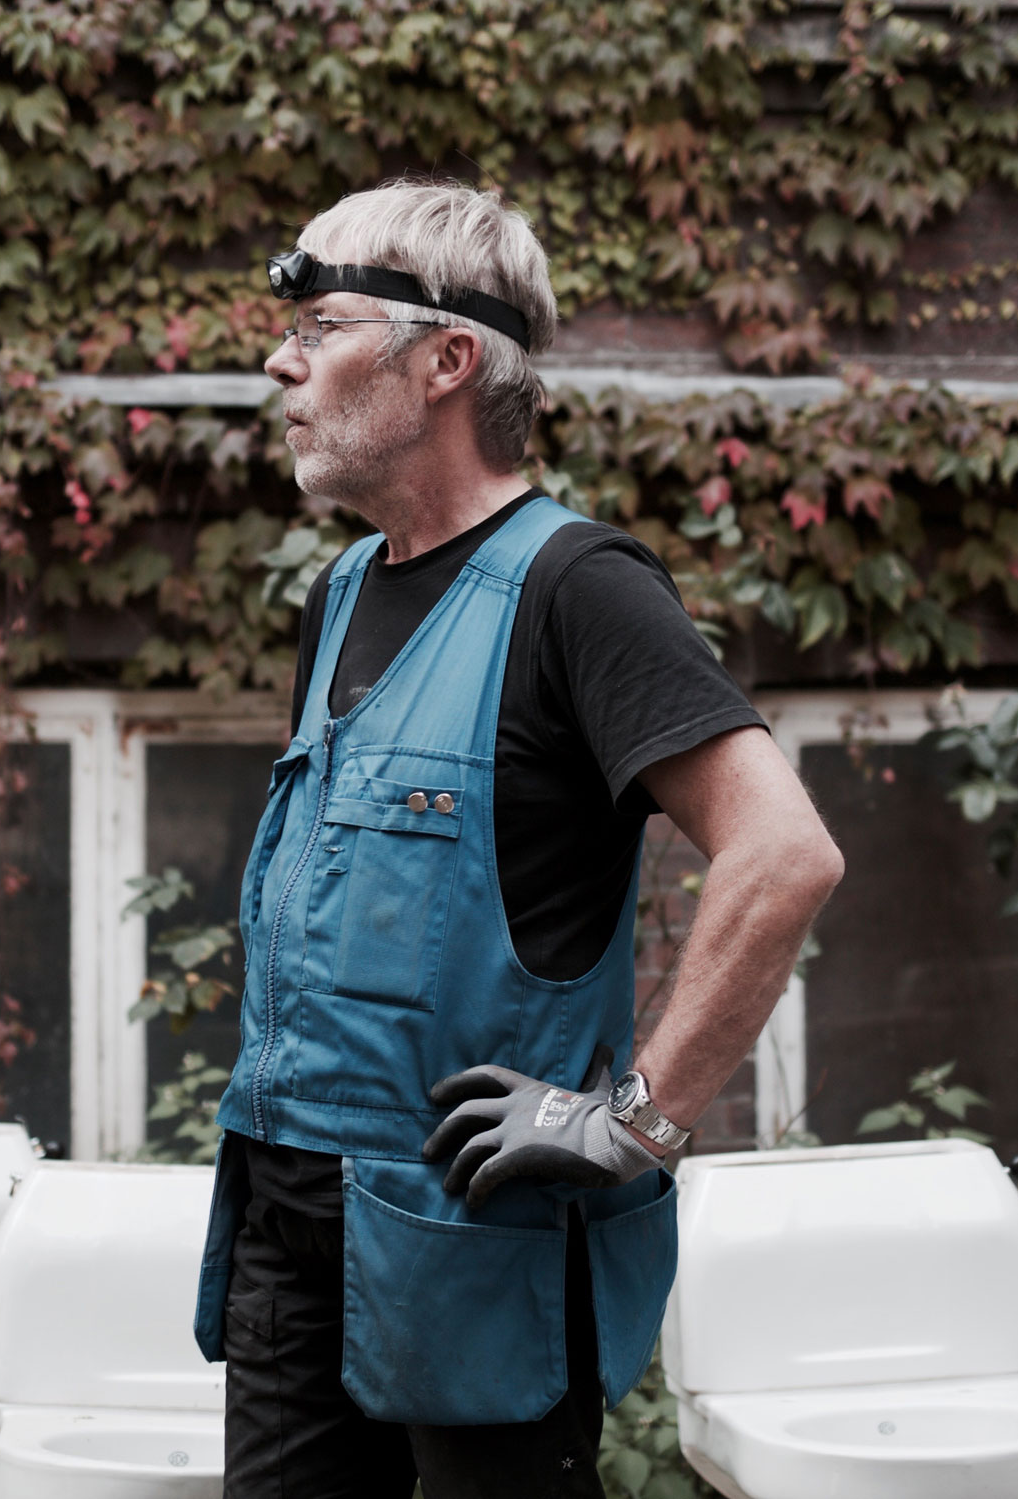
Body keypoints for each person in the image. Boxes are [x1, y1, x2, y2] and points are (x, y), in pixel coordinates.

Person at [193, 179, 845, 1499]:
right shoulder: (342, 591)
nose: (281, 362)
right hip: (286, 1224)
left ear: (446, 360)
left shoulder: (577, 589)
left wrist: (636, 1124)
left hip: (472, 1235)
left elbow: (784, 855)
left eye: (321, 326)